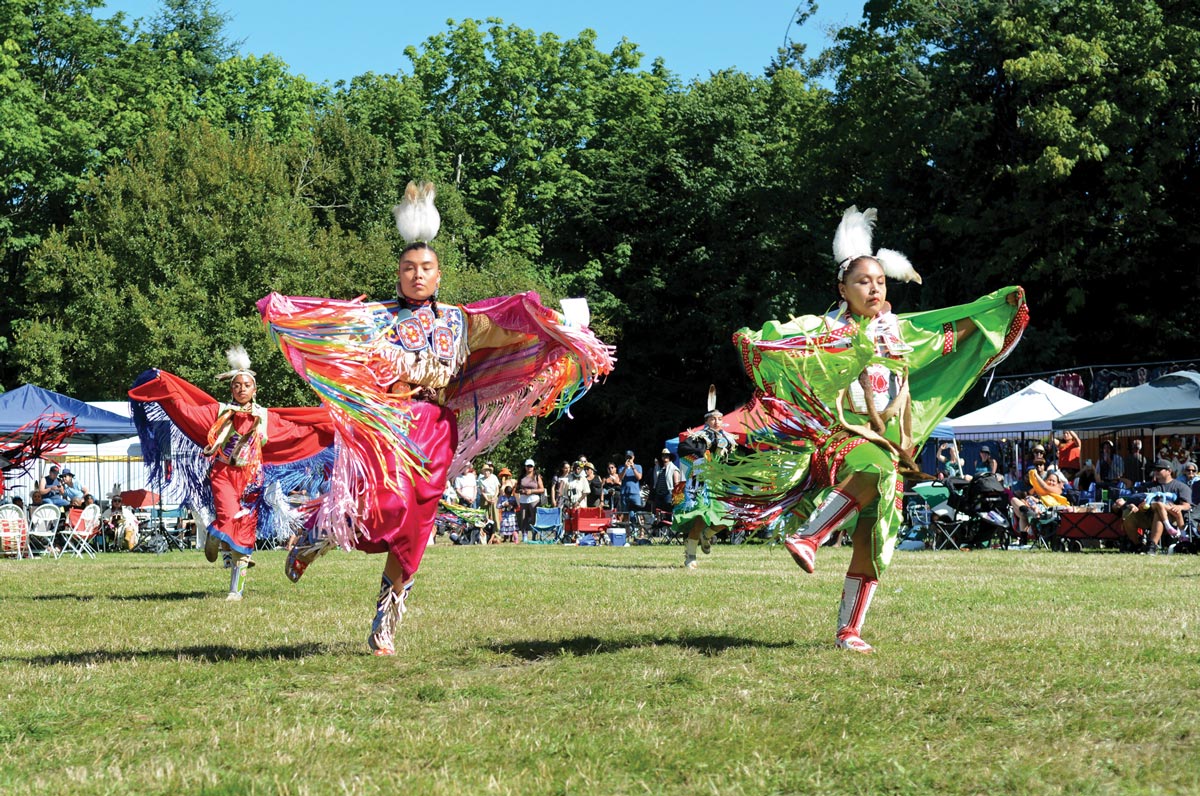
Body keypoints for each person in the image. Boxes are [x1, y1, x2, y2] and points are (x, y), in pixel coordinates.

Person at [266, 182, 613, 654]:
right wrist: (285, 311)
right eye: (408, 268)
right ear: (398, 274)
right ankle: (321, 535)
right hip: (388, 423)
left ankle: (384, 622)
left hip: (435, 429)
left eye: (425, 268)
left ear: (438, 275)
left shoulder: (459, 321)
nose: (416, 275)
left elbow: (513, 328)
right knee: (384, 506)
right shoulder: (374, 316)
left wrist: (560, 328)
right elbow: (326, 324)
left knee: (414, 531)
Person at [708, 206, 1026, 653]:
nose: (874, 288)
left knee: (876, 539)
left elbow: (944, 336)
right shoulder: (822, 330)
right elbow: (779, 342)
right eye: (863, 281)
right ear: (842, 288)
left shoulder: (897, 332)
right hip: (837, 439)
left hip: (887, 445)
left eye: (880, 281)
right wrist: (757, 341)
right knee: (874, 468)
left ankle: (848, 632)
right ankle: (808, 535)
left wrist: (993, 311)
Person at [129, 347, 336, 600]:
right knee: (229, 516)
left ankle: (235, 590)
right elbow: (185, 410)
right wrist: (165, 386)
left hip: (252, 480)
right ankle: (217, 532)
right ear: (231, 389)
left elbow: (297, 430)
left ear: (254, 389)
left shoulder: (266, 418)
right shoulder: (217, 413)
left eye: (246, 385)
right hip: (223, 475)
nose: (241, 389)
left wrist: (330, 424)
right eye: (237, 385)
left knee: (245, 533)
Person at [676, 409, 736, 569]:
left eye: (720, 419)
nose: (717, 422)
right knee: (700, 519)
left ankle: (706, 535)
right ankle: (690, 557)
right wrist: (705, 450)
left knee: (727, 519)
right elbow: (683, 450)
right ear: (707, 421)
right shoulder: (699, 437)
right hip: (701, 485)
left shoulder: (728, 439)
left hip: (718, 484)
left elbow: (733, 460)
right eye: (713, 419)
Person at [1121, 458, 1193, 555]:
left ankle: (1152, 546)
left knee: (1158, 513)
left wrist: (1179, 507)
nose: (1156, 472)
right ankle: (1138, 545)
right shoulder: (1149, 486)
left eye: (1159, 470)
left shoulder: (1180, 486)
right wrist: (1136, 506)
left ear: (1169, 471)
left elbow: (1187, 505)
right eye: (1155, 470)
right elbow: (1138, 500)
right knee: (1127, 514)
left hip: (1171, 518)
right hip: (1147, 515)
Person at [517, 460, 544, 537]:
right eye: (527, 466)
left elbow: (542, 489)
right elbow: (516, 489)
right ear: (525, 467)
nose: (529, 468)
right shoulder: (521, 476)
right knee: (523, 519)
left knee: (534, 518)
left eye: (531, 466)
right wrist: (521, 490)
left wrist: (531, 491)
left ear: (533, 467)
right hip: (523, 500)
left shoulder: (537, 476)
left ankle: (534, 535)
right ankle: (524, 536)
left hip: (534, 500)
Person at [652, 448, 682, 513]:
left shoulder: (674, 469)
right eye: (663, 455)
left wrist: (676, 497)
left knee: (668, 513)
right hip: (659, 494)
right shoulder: (659, 469)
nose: (665, 457)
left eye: (666, 455)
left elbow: (677, 484)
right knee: (658, 513)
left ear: (669, 457)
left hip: (668, 494)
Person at [477, 462, 501, 533]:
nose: (486, 472)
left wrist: (494, 497)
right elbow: (482, 491)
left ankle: (496, 530)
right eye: (485, 471)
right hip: (485, 497)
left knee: (495, 515)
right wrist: (487, 499)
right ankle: (485, 531)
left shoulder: (494, 477)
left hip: (493, 496)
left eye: (488, 470)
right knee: (485, 515)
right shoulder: (481, 479)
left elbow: (497, 489)